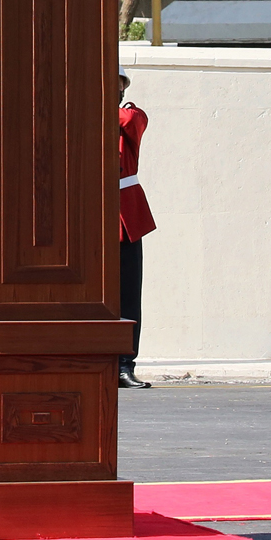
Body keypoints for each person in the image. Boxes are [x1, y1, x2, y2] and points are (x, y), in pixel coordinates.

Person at [118, 67, 156, 389]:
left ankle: (125, 364)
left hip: (126, 216)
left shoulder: (129, 116)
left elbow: (132, 122)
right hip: (94, 217)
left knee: (128, 296)